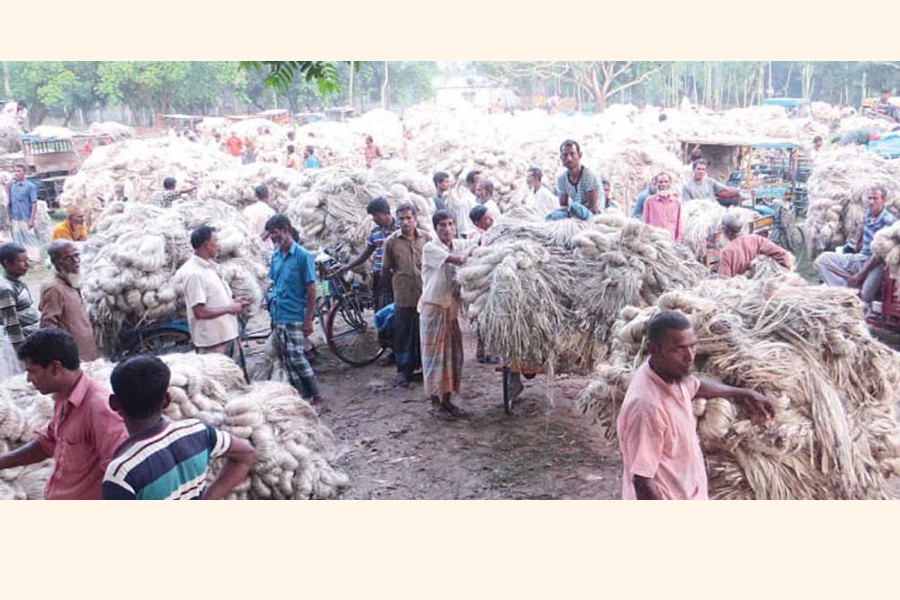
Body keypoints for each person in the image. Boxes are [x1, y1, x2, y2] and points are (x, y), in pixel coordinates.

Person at [616, 311, 774, 500]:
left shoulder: (671, 375)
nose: (689, 356)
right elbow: (642, 480)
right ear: (654, 349)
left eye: (692, 346)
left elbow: (696, 385)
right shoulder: (647, 407)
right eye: (678, 349)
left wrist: (742, 393)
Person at [102, 355, 256, 500]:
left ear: (114, 403)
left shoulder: (121, 474)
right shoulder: (198, 431)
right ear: (167, 400)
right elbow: (246, 454)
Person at [0, 328, 128, 499]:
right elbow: (47, 443)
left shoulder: (99, 408)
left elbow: (118, 475)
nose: (29, 379)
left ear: (55, 368)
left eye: (32, 371)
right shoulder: (63, 398)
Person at [419, 210, 478, 419]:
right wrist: (472, 246)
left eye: (451, 224)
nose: (447, 229)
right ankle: (435, 403)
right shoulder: (431, 248)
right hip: (434, 308)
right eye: (442, 225)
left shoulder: (457, 243)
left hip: (450, 309)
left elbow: (479, 241)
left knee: (452, 356)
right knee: (435, 358)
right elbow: (460, 260)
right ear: (436, 228)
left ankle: (447, 400)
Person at [264, 214, 325, 407]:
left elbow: (311, 288)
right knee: (287, 358)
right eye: (270, 233)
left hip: (294, 314)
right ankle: (301, 396)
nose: (272, 237)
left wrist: (308, 319)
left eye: (274, 233)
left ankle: (316, 395)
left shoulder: (302, 256)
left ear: (285, 230)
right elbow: (273, 282)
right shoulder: (276, 256)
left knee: (297, 357)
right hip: (278, 313)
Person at [175, 226, 249, 364]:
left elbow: (211, 298)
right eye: (216, 241)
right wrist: (230, 308)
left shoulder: (210, 267)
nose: (219, 245)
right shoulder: (194, 273)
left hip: (227, 335)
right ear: (206, 244)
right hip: (214, 343)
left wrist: (233, 301)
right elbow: (200, 312)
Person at [815, 185, 896, 304]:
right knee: (822, 260)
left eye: (875, 198)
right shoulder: (867, 214)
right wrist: (856, 245)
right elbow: (862, 231)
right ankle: (844, 291)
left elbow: (879, 254)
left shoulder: (889, 221)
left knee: (866, 295)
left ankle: (851, 291)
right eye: (869, 198)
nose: (871, 201)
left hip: (877, 262)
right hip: (860, 258)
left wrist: (860, 274)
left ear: (883, 200)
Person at [382, 203, 430, 388]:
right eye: (401, 218)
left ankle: (425, 368)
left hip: (424, 294)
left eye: (409, 218)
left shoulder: (426, 238)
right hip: (403, 294)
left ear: (415, 219)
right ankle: (403, 370)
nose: (405, 222)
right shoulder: (391, 242)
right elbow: (386, 269)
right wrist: (391, 289)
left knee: (423, 332)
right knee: (403, 333)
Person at [39, 240, 98, 361]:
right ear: (55, 262)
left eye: (77, 255)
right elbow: (48, 326)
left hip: (87, 353)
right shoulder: (54, 288)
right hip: (74, 357)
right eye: (68, 258)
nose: (76, 261)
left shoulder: (73, 282)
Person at [338, 197, 398, 311]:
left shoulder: (400, 228)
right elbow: (367, 252)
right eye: (373, 216)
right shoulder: (375, 231)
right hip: (379, 277)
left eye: (376, 215)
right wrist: (349, 266)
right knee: (381, 310)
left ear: (386, 212)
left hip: (397, 277)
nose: (374, 219)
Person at [717, 212, 792, 278]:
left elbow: (725, 282)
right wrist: (784, 274)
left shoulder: (726, 252)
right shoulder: (756, 239)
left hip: (743, 291)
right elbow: (783, 255)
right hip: (761, 288)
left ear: (725, 230)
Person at [549, 139, 602, 220]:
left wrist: (574, 210)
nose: (569, 158)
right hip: (572, 212)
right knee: (551, 216)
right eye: (565, 155)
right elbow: (563, 205)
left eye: (572, 154)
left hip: (589, 214)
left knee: (575, 206)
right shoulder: (562, 179)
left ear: (579, 155)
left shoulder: (589, 175)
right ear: (561, 158)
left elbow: (593, 208)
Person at [0, 243, 39, 349]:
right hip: (25, 344)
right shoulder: (6, 289)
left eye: (27, 260)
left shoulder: (17, 282)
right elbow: (12, 325)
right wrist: (21, 352)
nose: (27, 265)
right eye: (22, 261)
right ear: (7, 264)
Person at [7, 164, 39, 259]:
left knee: (30, 238)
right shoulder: (13, 185)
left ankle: (36, 259)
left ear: (24, 172)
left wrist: (31, 220)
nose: (17, 173)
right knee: (17, 239)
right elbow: (7, 194)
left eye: (19, 171)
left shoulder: (30, 186)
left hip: (26, 216)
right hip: (15, 217)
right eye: (15, 171)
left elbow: (34, 203)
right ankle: (22, 259)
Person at [642, 172, 682, 242]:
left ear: (670, 183)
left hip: (671, 241)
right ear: (656, 184)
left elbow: (679, 224)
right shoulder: (649, 201)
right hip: (655, 241)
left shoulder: (676, 202)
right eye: (660, 182)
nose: (663, 184)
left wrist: (678, 241)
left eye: (666, 182)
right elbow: (645, 223)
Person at [454, 170, 481, 239]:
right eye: (478, 182)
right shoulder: (465, 202)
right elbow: (464, 230)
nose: (481, 185)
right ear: (470, 183)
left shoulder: (480, 200)